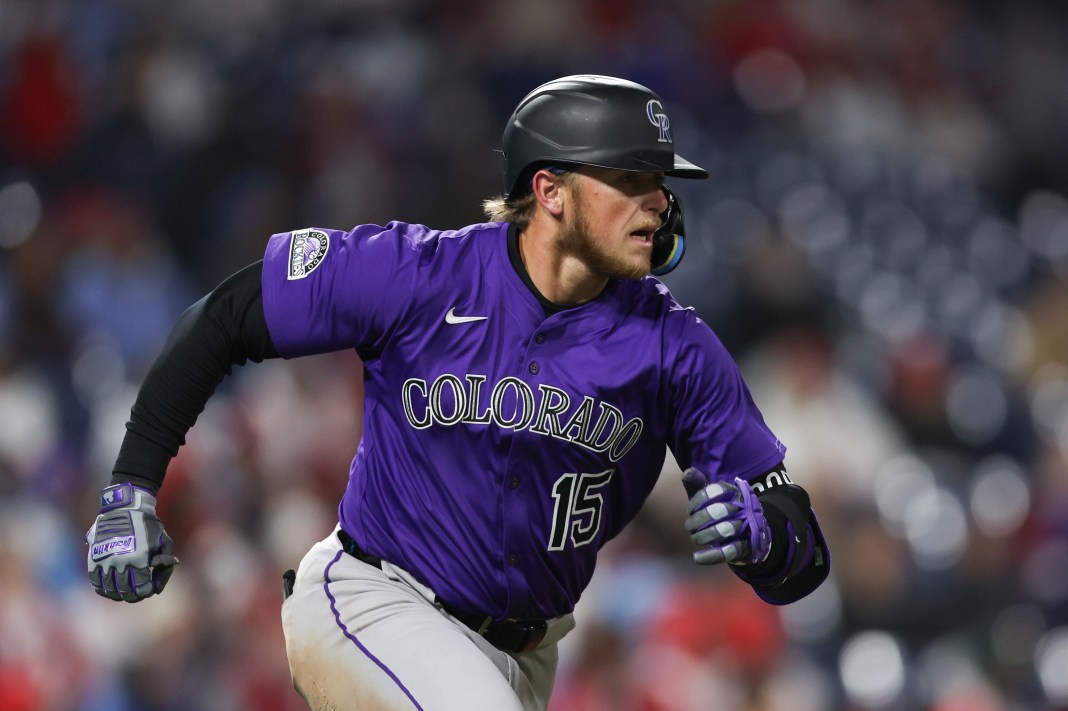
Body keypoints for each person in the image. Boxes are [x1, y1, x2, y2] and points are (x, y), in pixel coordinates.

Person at [85, 75, 831, 711]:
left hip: (526, 656)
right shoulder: (419, 273)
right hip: (376, 600)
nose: (657, 203)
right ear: (551, 191)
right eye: (630, 178)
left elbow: (802, 550)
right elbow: (224, 318)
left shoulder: (675, 345)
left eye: (660, 183)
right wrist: (131, 486)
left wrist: (765, 536)